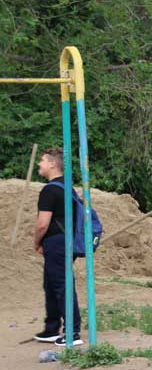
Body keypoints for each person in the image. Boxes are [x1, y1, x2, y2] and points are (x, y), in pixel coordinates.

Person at [33, 147, 83, 346]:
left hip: (56, 242)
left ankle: (73, 332)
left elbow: (42, 223)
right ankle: (51, 328)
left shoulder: (50, 190)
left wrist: (36, 241)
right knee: (52, 283)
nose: (39, 164)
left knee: (62, 285)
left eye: (43, 160)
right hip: (65, 240)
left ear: (53, 164)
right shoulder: (67, 187)